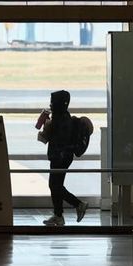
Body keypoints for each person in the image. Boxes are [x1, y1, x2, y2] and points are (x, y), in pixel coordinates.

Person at [40, 90, 88, 226]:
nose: (50, 104)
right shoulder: (61, 117)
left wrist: (47, 127)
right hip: (60, 156)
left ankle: (78, 204)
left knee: (55, 185)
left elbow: (58, 140)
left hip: (60, 157)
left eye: (53, 102)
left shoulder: (61, 120)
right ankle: (58, 215)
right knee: (56, 185)